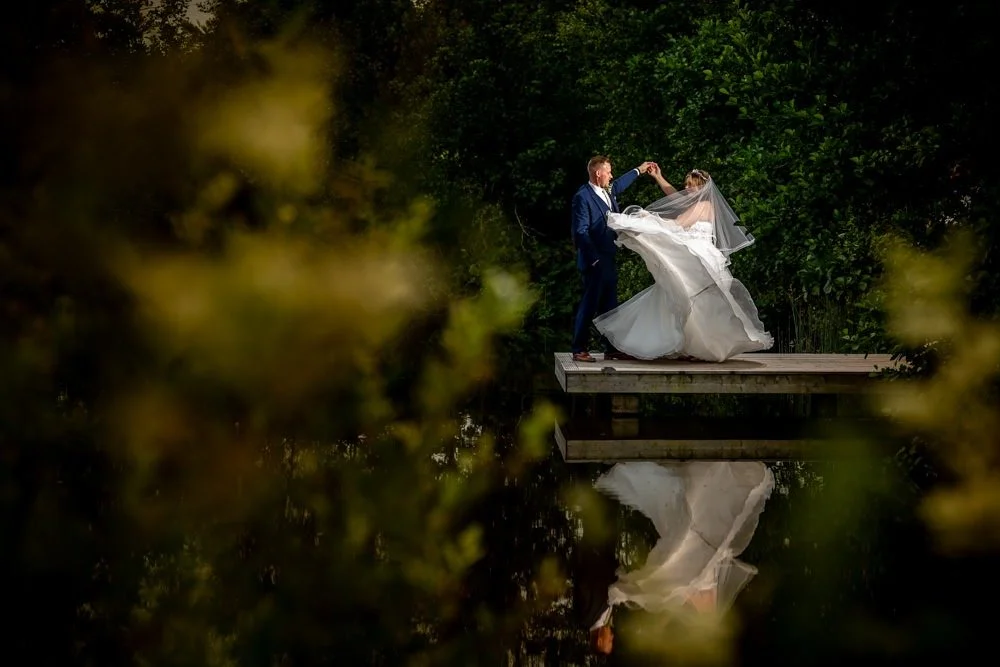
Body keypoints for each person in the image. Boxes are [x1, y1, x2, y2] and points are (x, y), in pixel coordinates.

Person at [585, 460, 774, 655]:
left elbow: (590, 577)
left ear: (600, 641)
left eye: (609, 642)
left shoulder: (586, 613)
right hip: (695, 581)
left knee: (683, 542)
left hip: (689, 578)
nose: (613, 638)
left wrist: (614, 580)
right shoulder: (605, 613)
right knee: (684, 548)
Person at [593, 169, 773, 361]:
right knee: (681, 296)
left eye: (690, 185)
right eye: (685, 184)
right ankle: (687, 345)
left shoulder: (703, 205)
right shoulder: (697, 203)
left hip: (698, 256)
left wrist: (649, 219)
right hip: (696, 254)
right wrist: (659, 177)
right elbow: (675, 197)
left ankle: (702, 346)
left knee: (696, 300)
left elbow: (678, 223)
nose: (685, 189)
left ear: (701, 188)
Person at [570, 155, 666, 363]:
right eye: (609, 171)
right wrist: (594, 259)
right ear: (598, 173)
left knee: (610, 307)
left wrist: (639, 170)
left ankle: (611, 348)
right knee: (590, 304)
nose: (612, 175)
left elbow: (620, 183)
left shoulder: (608, 190)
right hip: (594, 260)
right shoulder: (583, 197)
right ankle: (579, 348)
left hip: (609, 257)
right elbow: (580, 232)